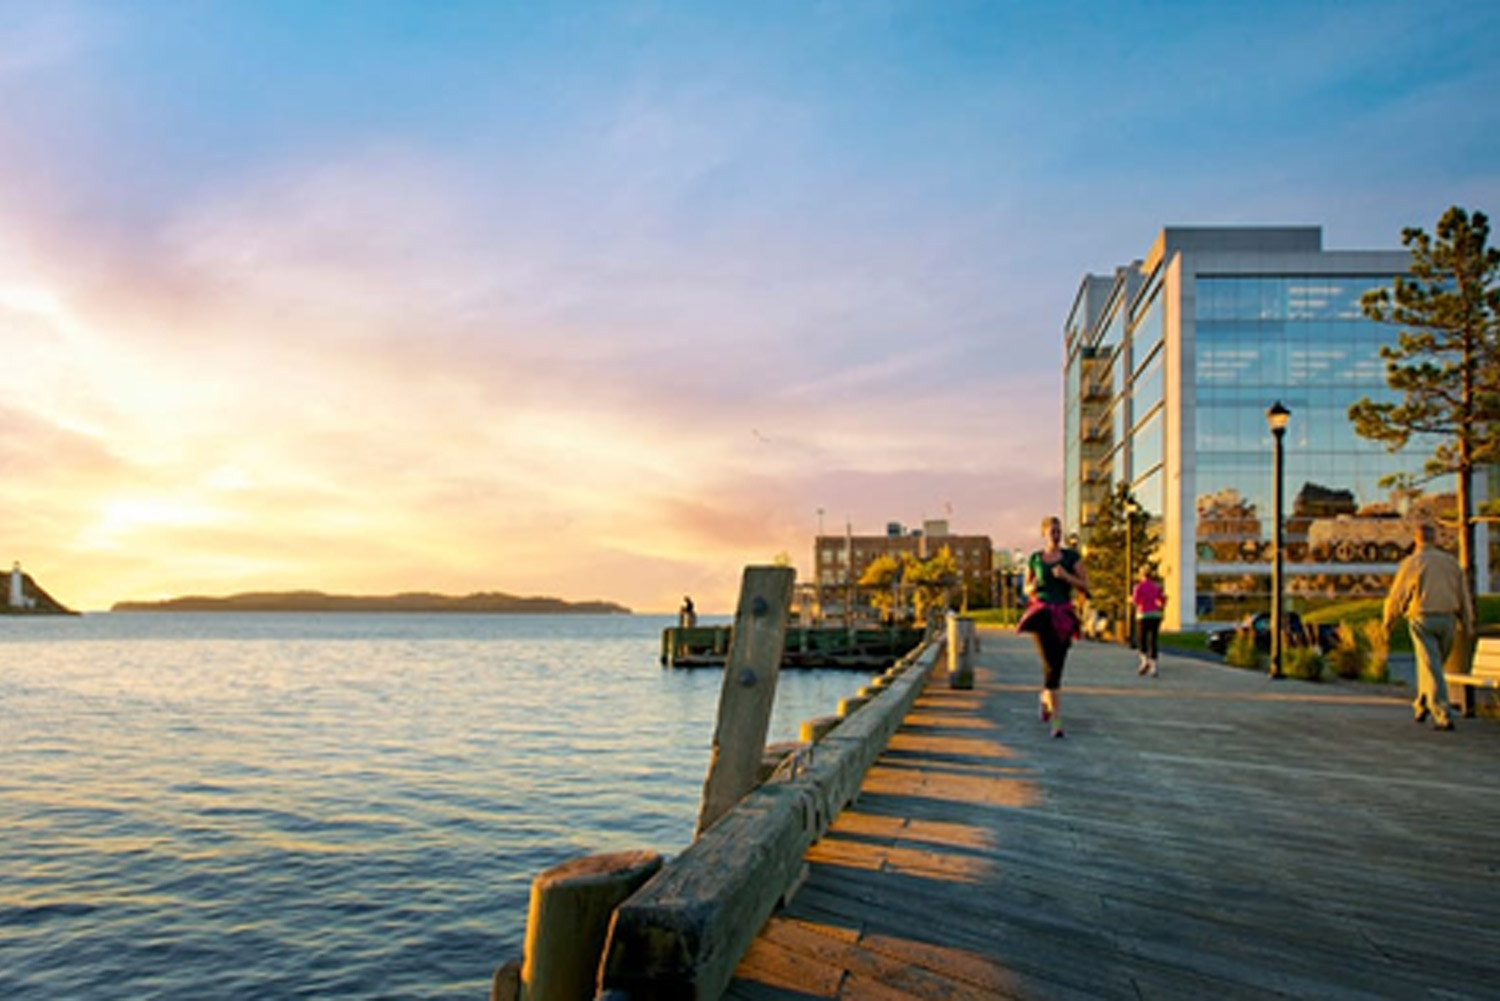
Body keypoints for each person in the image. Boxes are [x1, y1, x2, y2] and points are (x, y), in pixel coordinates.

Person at [1382, 522, 1473, 731]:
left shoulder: (1412, 562)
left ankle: (1442, 714)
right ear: (1435, 539)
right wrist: (1467, 621)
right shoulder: (1451, 563)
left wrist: (1389, 620)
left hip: (1422, 618)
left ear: (1416, 540)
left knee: (1431, 666)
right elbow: (1463, 594)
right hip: (1448, 619)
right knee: (1433, 665)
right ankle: (1423, 703)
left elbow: (1398, 595)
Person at [1017, 516, 1089, 738]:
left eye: (1059, 531)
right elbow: (1026, 589)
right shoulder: (1035, 559)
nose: (1056, 535)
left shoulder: (1070, 557)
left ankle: (1045, 697)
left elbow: (1085, 584)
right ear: (1044, 534)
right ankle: (1057, 720)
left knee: (1057, 665)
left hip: (1064, 614)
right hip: (1042, 615)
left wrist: (1066, 576)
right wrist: (1032, 587)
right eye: (1052, 532)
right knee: (1049, 664)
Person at [1131, 570, 1166, 677]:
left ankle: (1144, 661)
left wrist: (1131, 601)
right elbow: (1162, 600)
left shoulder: (1138, 587)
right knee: (1153, 640)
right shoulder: (1156, 587)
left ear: (1142, 576)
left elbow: (1136, 601)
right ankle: (1153, 666)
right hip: (1155, 615)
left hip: (1143, 615)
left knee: (1142, 639)